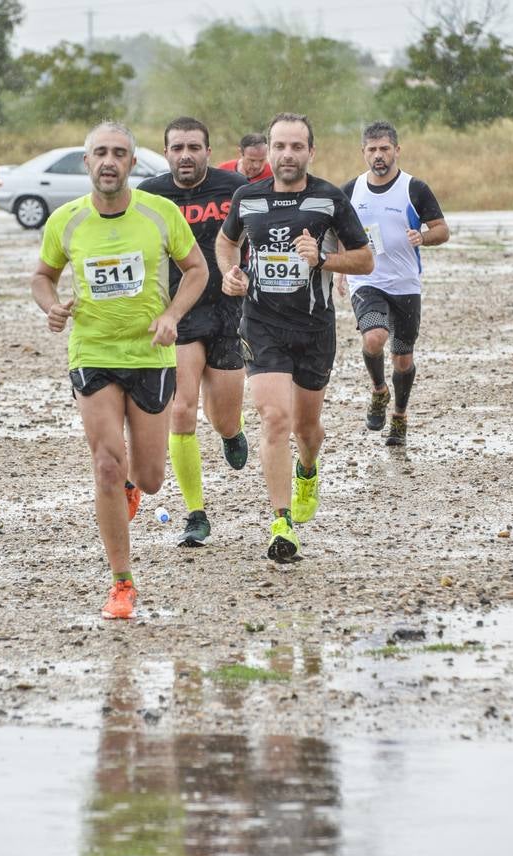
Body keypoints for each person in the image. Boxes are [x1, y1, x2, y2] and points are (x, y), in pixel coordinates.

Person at [31, 121, 208, 619]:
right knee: (107, 464)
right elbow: (43, 276)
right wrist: (51, 306)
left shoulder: (160, 213)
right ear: (87, 162)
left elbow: (197, 270)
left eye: (119, 153)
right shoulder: (66, 220)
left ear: (132, 163)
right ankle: (122, 583)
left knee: (149, 478)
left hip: (150, 354)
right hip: (92, 352)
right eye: (100, 153)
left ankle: (132, 488)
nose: (109, 161)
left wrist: (172, 315)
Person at [215, 112, 373, 561]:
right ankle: (281, 523)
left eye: (296, 146)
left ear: (310, 151)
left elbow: (365, 260)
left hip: (314, 329)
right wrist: (230, 272)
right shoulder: (247, 197)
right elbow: (227, 242)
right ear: (268, 150)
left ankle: (307, 469)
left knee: (306, 429)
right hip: (261, 324)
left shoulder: (329, 199)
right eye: (280, 146)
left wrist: (322, 259)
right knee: (274, 418)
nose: (287, 154)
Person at [140, 116, 248, 547]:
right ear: (165, 153)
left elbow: (256, 238)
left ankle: (231, 432)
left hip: (227, 311)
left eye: (194, 147)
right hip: (179, 313)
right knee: (182, 411)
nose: (185, 155)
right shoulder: (149, 196)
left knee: (223, 417)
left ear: (208, 151)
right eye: (177, 148)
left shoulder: (234, 188)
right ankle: (195, 513)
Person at [337, 120, 450, 446]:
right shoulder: (350, 191)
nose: (379, 155)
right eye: (372, 149)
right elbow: (340, 233)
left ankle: (399, 416)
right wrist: (342, 269)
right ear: (363, 152)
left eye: (384, 148)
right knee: (374, 338)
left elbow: (442, 230)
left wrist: (423, 237)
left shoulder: (415, 188)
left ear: (396, 150)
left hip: (405, 284)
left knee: (403, 359)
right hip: (366, 279)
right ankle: (378, 391)